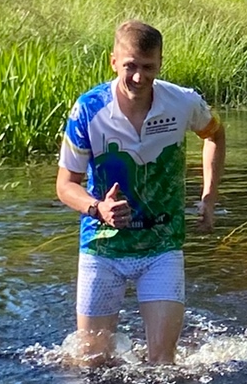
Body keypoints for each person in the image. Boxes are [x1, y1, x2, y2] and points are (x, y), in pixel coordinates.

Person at [55, 18, 225, 364]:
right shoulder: (88, 109)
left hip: (162, 244)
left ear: (160, 64)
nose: (138, 77)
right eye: (130, 66)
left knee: (163, 366)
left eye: (148, 67)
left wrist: (209, 197)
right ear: (113, 61)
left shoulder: (182, 102)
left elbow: (215, 134)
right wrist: (97, 208)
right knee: (91, 363)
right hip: (102, 247)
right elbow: (65, 185)